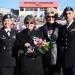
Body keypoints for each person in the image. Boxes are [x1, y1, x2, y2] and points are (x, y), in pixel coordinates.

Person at [39, 9, 63, 75]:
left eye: (53, 16)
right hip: (45, 58)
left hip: (57, 58)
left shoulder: (60, 27)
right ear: (46, 17)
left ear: (55, 17)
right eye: (49, 16)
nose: (51, 18)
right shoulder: (41, 29)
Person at [61, 7, 75, 75]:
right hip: (65, 59)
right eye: (66, 14)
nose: (68, 15)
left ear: (73, 14)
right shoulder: (63, 27)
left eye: (70, 13)